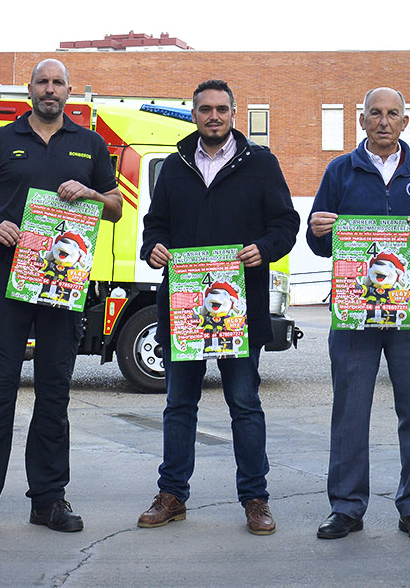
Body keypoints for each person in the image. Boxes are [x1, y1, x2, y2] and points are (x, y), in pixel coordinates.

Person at [0, 58, 122, 539]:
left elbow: (115, 209)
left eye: (57, 82)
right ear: (29, 90)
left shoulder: (90, 144)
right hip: (9, 279)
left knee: (54, 392)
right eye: (42, 82)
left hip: (64, 283)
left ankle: (47, 499)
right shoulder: (0, 140)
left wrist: (89, 192)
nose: (49, 89)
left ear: (69, 91)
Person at [135, 79, 299, 537]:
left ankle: (255, 498)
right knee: (179, 404)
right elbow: (155, 226)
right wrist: (155, 248)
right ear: (194, 114)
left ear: (233, 113)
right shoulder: (174, 165)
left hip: (239, 307)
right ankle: (172, 495)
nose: (213, 116)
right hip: (184, 304)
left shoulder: (261, 164)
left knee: (244, 404)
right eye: (205, 109)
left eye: (221, 109)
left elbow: (286, 222)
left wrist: (263, 249)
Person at [305, 86, 410, 542]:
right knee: (350, 410)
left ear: (405, 121)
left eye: (393, 114)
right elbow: (317, 240)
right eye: (376, 113)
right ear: (362, 119)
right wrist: (317, 231)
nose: (384, 121)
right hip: (355, 313)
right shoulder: (339, 170)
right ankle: (347, 507)